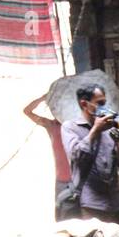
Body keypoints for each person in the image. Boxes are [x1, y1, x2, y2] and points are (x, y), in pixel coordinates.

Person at [60, 84, 119, 228]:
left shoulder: (108, 128)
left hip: (116, 204)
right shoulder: (70, 127)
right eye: (100, 103)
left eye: (104, 103)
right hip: (91, 205)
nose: (103, 107)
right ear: (84, 104)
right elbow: (77, 155)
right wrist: (95, 130)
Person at [22, 93, 72, 221]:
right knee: (62, 219)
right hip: (62, 180)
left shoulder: (76, 125)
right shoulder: (51, 126)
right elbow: (27, 111)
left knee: (79, 219)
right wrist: (44, 97)